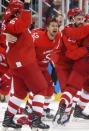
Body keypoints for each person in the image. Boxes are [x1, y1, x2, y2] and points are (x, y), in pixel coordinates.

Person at [1, 0, 49, 130]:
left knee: (20, 93)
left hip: (17, 64)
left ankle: (8, 119)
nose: (23, 11)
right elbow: (25, 22)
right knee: (41, 89)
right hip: (24, 62)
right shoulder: (14, 21)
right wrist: (28, 5)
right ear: (18, 10)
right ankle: (36, 119)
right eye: (21, 9)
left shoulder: (8, 22)